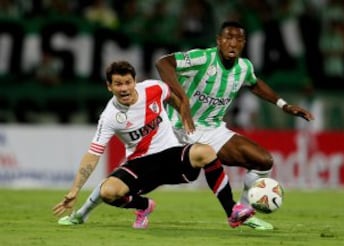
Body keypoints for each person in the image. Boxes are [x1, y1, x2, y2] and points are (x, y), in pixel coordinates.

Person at [53, 60, 255, 229]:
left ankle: (232, 211)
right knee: (108, 192)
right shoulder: (110, 117)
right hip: (140, 164)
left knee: (205, 151)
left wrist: (184, 113)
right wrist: (75, 190)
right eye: (117, 84)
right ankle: (143, 205)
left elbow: (174, 96)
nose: (124, 88)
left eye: (127, 82)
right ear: (109, 86)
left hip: (171, 156)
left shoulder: (154, 88)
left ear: (135, 81)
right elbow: (93, 154)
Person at [155, 21, 314, 230]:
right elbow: (163, 63)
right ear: (219, 41)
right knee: (159, 176)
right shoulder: (203, 58)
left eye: (238, 40)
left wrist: (283, 105)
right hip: (180, 128)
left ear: (244, 43)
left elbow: (255, 83)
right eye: (228, 38)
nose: (233, 43)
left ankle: (242, 213)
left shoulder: (244, 67)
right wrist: (183, 101)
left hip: (213, 129)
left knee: (263, 161)